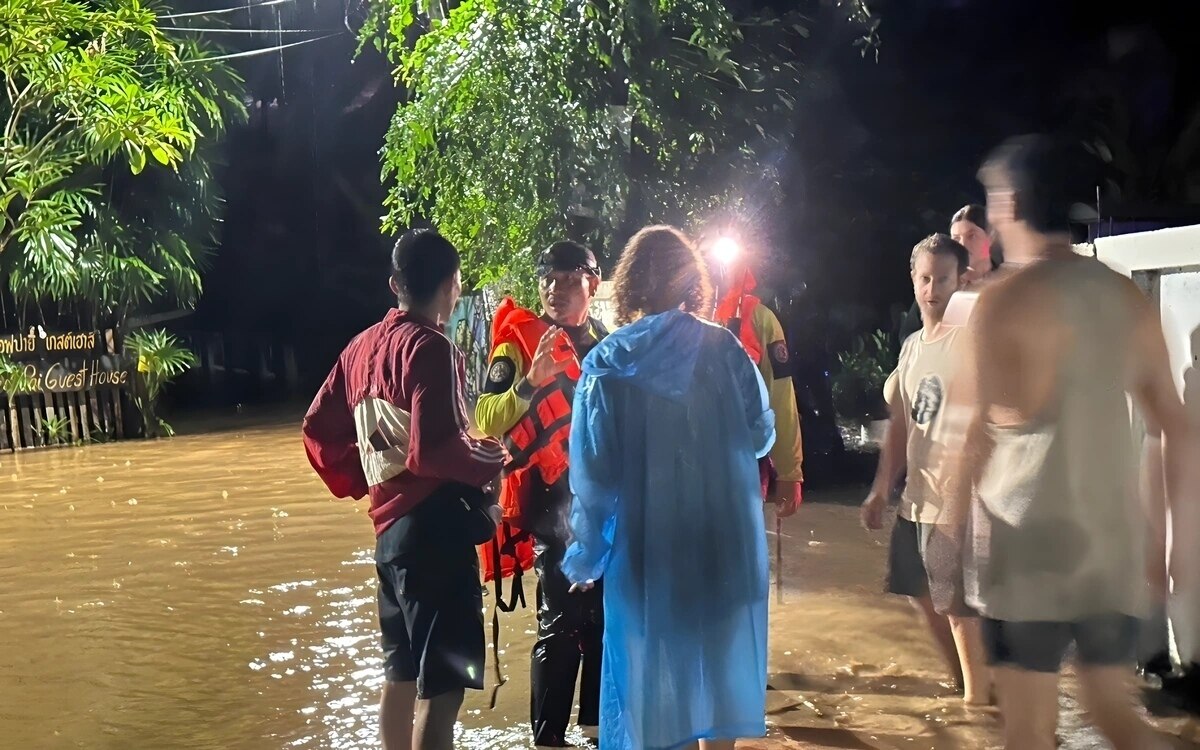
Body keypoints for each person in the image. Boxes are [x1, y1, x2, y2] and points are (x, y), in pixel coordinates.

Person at [944, 135, 1195, 750]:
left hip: (1024, 547)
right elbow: (1176, 428)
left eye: (995, 200)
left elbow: (970, 438)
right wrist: (1170, 547)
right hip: (1108, 548)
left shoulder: (999, 301)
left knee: (1028, 731)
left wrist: (948, 544)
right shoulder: (1124, 298)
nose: (992, 215)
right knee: (1115, 717)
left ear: (1017, 202)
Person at [562, 225, 776, 750]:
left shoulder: (608, 363)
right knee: (717, 691)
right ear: (692, 283)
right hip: (723, 542)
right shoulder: (725, 349)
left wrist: (586, 558)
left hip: (648, 550)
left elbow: (593, 473)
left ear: (630, 284)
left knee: (654, 694)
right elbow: (761, 434)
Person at [302, 229, 506, 750]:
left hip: (389, 538)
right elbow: (435, 452)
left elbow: (317, 431)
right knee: (442, 693)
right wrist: (495, 458)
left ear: (395, 284)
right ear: (452, 286)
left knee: (400, 677)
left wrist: (366, 477)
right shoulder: (432, 348)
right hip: (434, 536)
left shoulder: (358, 349)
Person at [475, 241, 608, 747]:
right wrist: (531, 383)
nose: (556, 289)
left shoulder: (607, 343)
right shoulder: (518, 343)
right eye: (548, 279)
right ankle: (547, 738)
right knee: (560, 624)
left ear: (592, 285)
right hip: (553, 504)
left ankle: (596, 729)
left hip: (603, 506)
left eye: (569, 279)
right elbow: (486, 418)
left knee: (602, 620)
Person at [861, 234, 991, 705]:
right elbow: (900, 427)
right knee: (919, 594)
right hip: (916, 498)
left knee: (957, 610)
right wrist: (880, 489)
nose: (932, 288)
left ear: (961, 281)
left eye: (942, 279)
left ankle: (977, 712)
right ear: (914, 281)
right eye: (925, 278)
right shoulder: (913, 347)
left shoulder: (970, 343)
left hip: (955, 500)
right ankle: (968, 686)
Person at [698, 233, 803, 516]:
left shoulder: (760, 321)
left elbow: (780, 396)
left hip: (745, 457)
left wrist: (790, 471)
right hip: (690, 460)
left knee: (741, 547)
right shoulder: (678, 320)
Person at [898, 204, 997, 344]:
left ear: (991, 237)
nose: (963, 244)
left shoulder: (1008, 282)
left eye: (972, 236)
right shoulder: (940, 280)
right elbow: (908, 336)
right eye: (956, 238)